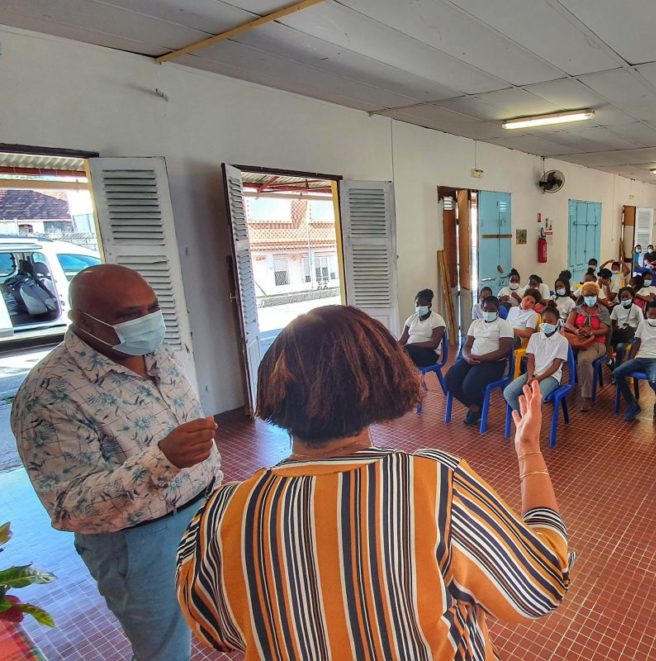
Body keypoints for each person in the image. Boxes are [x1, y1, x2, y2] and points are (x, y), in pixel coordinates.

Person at [177, 307, 573, 658]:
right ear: (382, 379)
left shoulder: (224, 511)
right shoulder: (435, 484)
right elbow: (540, 586)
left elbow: (216, 629)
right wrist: (529, 451)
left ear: (273, 386)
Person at [12, 264, 221, 661]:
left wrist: (213, 480)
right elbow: (69, 507)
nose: (148, 321)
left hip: (205, 513)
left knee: (212, 610)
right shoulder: (49, 394)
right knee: (163, 646)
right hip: (139, 541)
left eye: (152, 308)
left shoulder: (157, 354)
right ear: (83, 321)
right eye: (129, 315)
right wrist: (162, 460)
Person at [445, 296, 514, 425]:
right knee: (450, 379)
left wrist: (482, 358)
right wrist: (467, 356)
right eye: (485, 309)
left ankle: (477, 408)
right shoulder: (476, 323)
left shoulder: (504, 325)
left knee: (469, 386)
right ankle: (476, 406)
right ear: (481, 308)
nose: (488, 312)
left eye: (492, 310)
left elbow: (504, 351)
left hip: (494, 363)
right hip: (473, 358)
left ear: (497, 310)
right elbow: (467, 345)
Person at [614, 302, 656, 421]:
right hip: (640, 358)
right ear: (646, 313)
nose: (653, 317)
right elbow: (636, 343)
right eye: (651, 314)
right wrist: (630, 360)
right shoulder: (642, 324)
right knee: (617, 372)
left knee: (654, 381)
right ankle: (632, 404)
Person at [504, 304, 569, 411]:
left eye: (550, 321)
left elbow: (555, 366)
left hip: (551, 377)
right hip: (532, 373)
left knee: (535, 398)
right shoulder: (535, 337)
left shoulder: (562, 341)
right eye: (544, 321)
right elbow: (530, 360)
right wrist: (530, 377)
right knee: (508, 393)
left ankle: (530, 418)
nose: (546, 324)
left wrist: (538, 379)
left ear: (557, 322)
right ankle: (525, 416)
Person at [563, 282, 610, 411]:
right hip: (579, 340)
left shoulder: (602, 310)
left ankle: (587, 397)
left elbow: (605, 329)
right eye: (587, 295)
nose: (590, 298)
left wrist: (591, 332)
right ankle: (552, 388)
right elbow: (568, 324)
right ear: (583, 296)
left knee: (584, 360)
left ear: (597, 295)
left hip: (596, 343)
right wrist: (576, 330)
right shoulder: (577, 309)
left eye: (592, 295)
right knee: (556, 354)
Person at [398, 288, 446, 367]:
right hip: (410, 351)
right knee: (394, 353)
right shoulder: (411, 319)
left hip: (429, 354)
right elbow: (402, 340)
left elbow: (434, 344)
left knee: (404, 352)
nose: (419, 306)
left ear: (429, 305)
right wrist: (392, 347)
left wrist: (413, 345)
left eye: (422, 304)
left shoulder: (437, 319)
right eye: (417, 304)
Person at [609, 287, 642, 369]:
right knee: (607, 343)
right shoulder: (616, 308)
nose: (624, 299)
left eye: (627, 296)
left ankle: (617, 368)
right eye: (622, 297)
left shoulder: (637, 309)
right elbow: (612, 323)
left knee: (620, 347)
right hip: (619, 333)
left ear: (632, 297)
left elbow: (642, 326)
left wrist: (632, 328)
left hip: (632, 334)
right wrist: (617, 328)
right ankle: (610, 362)